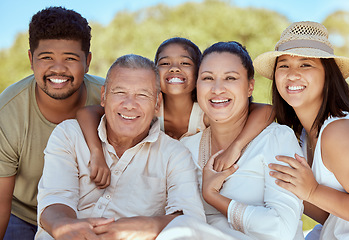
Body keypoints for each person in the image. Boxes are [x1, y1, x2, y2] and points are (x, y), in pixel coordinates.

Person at [254, 21, 349, 239]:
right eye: (283, 65)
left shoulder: (341, 132)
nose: (292, 74)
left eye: (306, 65)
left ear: (327, 75)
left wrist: (311, 191)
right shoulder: (302, 138)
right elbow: (338, 214)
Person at [36, 54, 207, 239]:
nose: (129, 105)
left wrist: (144, 226)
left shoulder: (175, 155)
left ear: (157, 104)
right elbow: (54, 200)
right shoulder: (69, 135)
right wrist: (66, 227)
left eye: (142, 95)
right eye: (120, 93)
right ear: (103, 97)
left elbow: (192, 220)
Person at [77, 37, 274, 188]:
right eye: (164, 63)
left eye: (185, 63)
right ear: (154, 73)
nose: (174, 69)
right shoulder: (148, 109)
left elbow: (266, 111)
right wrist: (96, 153)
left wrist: (236, 147)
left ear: (199, 73)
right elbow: (86, 113)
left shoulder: (206, 112)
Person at [181, 41, 305, 239]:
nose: (217, 88)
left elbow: (282, 230)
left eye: (230, 78)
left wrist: (213, 197)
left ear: (250, 87)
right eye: (207, 78)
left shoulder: (276, 139)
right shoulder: (185, 149)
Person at [0, 7, 104, 239]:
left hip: (88, 213)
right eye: (47, 58)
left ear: (87, 61)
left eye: (70, 58)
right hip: (23, 214)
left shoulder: (110, 98)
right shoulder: (8, 112)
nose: (58, 68)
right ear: (31, 59)